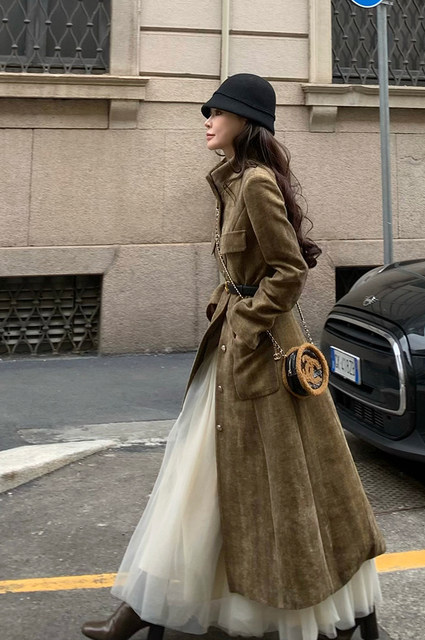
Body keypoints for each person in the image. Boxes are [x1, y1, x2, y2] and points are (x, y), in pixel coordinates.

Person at [81, 73, 386, 640]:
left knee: (289, 481)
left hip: (263, 353)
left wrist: (245, 320)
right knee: (199, 475)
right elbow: (246, 269)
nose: (208, 119)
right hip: (236, 349)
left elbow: (288, 271)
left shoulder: (256, 184)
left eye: (218, 111)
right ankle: (145, 609)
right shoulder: (232, 182)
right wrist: (226, 305)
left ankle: (149, 613)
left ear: (245, 121)